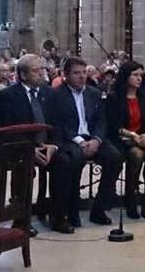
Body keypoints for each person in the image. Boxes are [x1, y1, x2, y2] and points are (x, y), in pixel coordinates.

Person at [0, 54, 79, 234]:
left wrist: (53, 146)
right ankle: (22, 219)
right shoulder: (8, 95)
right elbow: (7, 128)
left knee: (65, 163)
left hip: (47, 146)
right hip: (20, 147)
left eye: (43, 69)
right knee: (24, 169)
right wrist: (29, 148)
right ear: (23, 75)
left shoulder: (50, 93)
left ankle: (58, 216)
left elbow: (59, 124)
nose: (42, 74)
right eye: (36, 71)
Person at [45, 57, 122, 228]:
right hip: (69, 139)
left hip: (93, 138)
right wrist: (80, 141)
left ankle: (99, 209)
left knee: (115, 158)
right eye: (76, 73)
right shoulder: (56, 95)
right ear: (65, 75)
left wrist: (96, 139)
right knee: (74, 159)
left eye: (84, 72)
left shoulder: (93, 93)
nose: (82, 77)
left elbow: (101, 121)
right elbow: (59, 124)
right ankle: (68, 212)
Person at [106, 61, 145, 219]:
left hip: (143, 137)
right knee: (137, 155)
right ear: (126, 76)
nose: (139, 78)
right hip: (123, 138)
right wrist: (133, 135)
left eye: (141, 75)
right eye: (135, 75)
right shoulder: (114, 97)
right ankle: (131, 200)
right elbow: (113, 125)